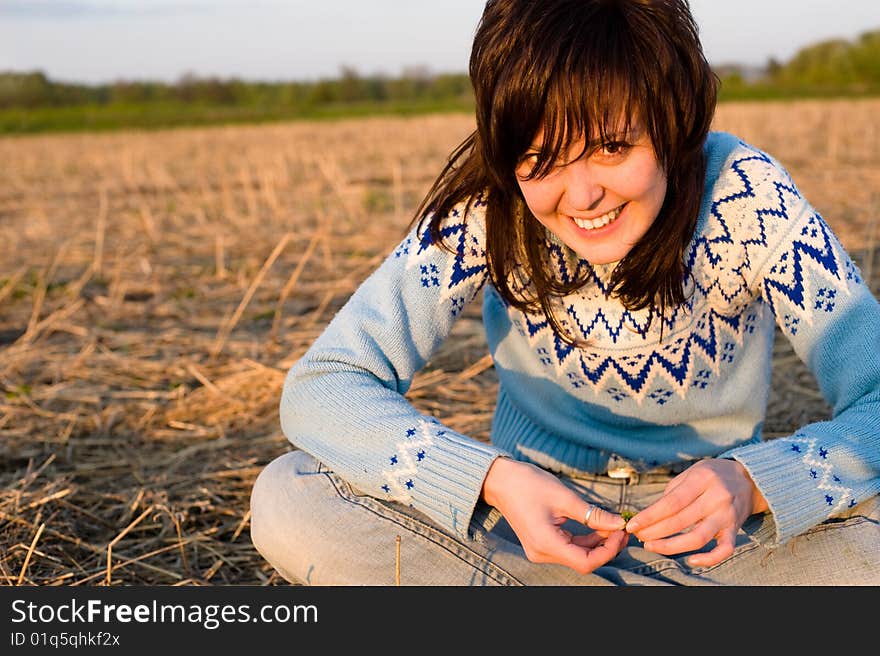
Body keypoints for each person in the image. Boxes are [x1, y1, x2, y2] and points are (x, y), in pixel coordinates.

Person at [250, 0, 880, 585]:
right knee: (292, 494)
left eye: (611, 147)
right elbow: (323, 386)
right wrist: (492, 481)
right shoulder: (486, 205)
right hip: (524, 536)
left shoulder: (748, 199)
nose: (581, 198)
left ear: (673, 118)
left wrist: (755, 482)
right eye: (541, 158)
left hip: (721, 539)